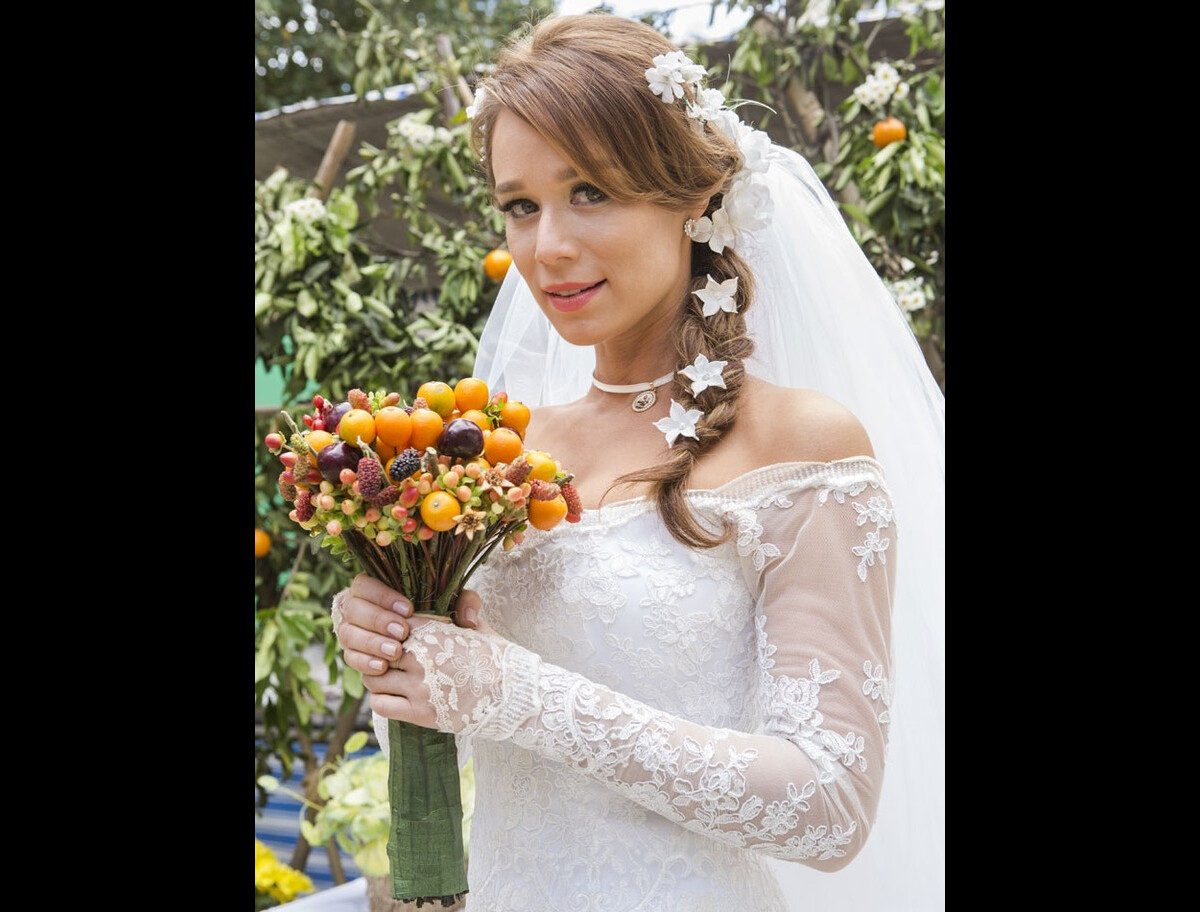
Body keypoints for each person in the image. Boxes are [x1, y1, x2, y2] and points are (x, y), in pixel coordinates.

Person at [331, 13, 944, 911]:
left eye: (590, 191)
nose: (548, 249)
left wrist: (516, 692)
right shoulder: (503, 452)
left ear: (692, 192)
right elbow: (460, 734)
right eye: (521, 205)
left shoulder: (800, 442)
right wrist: (398, 644)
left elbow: (829, 807)